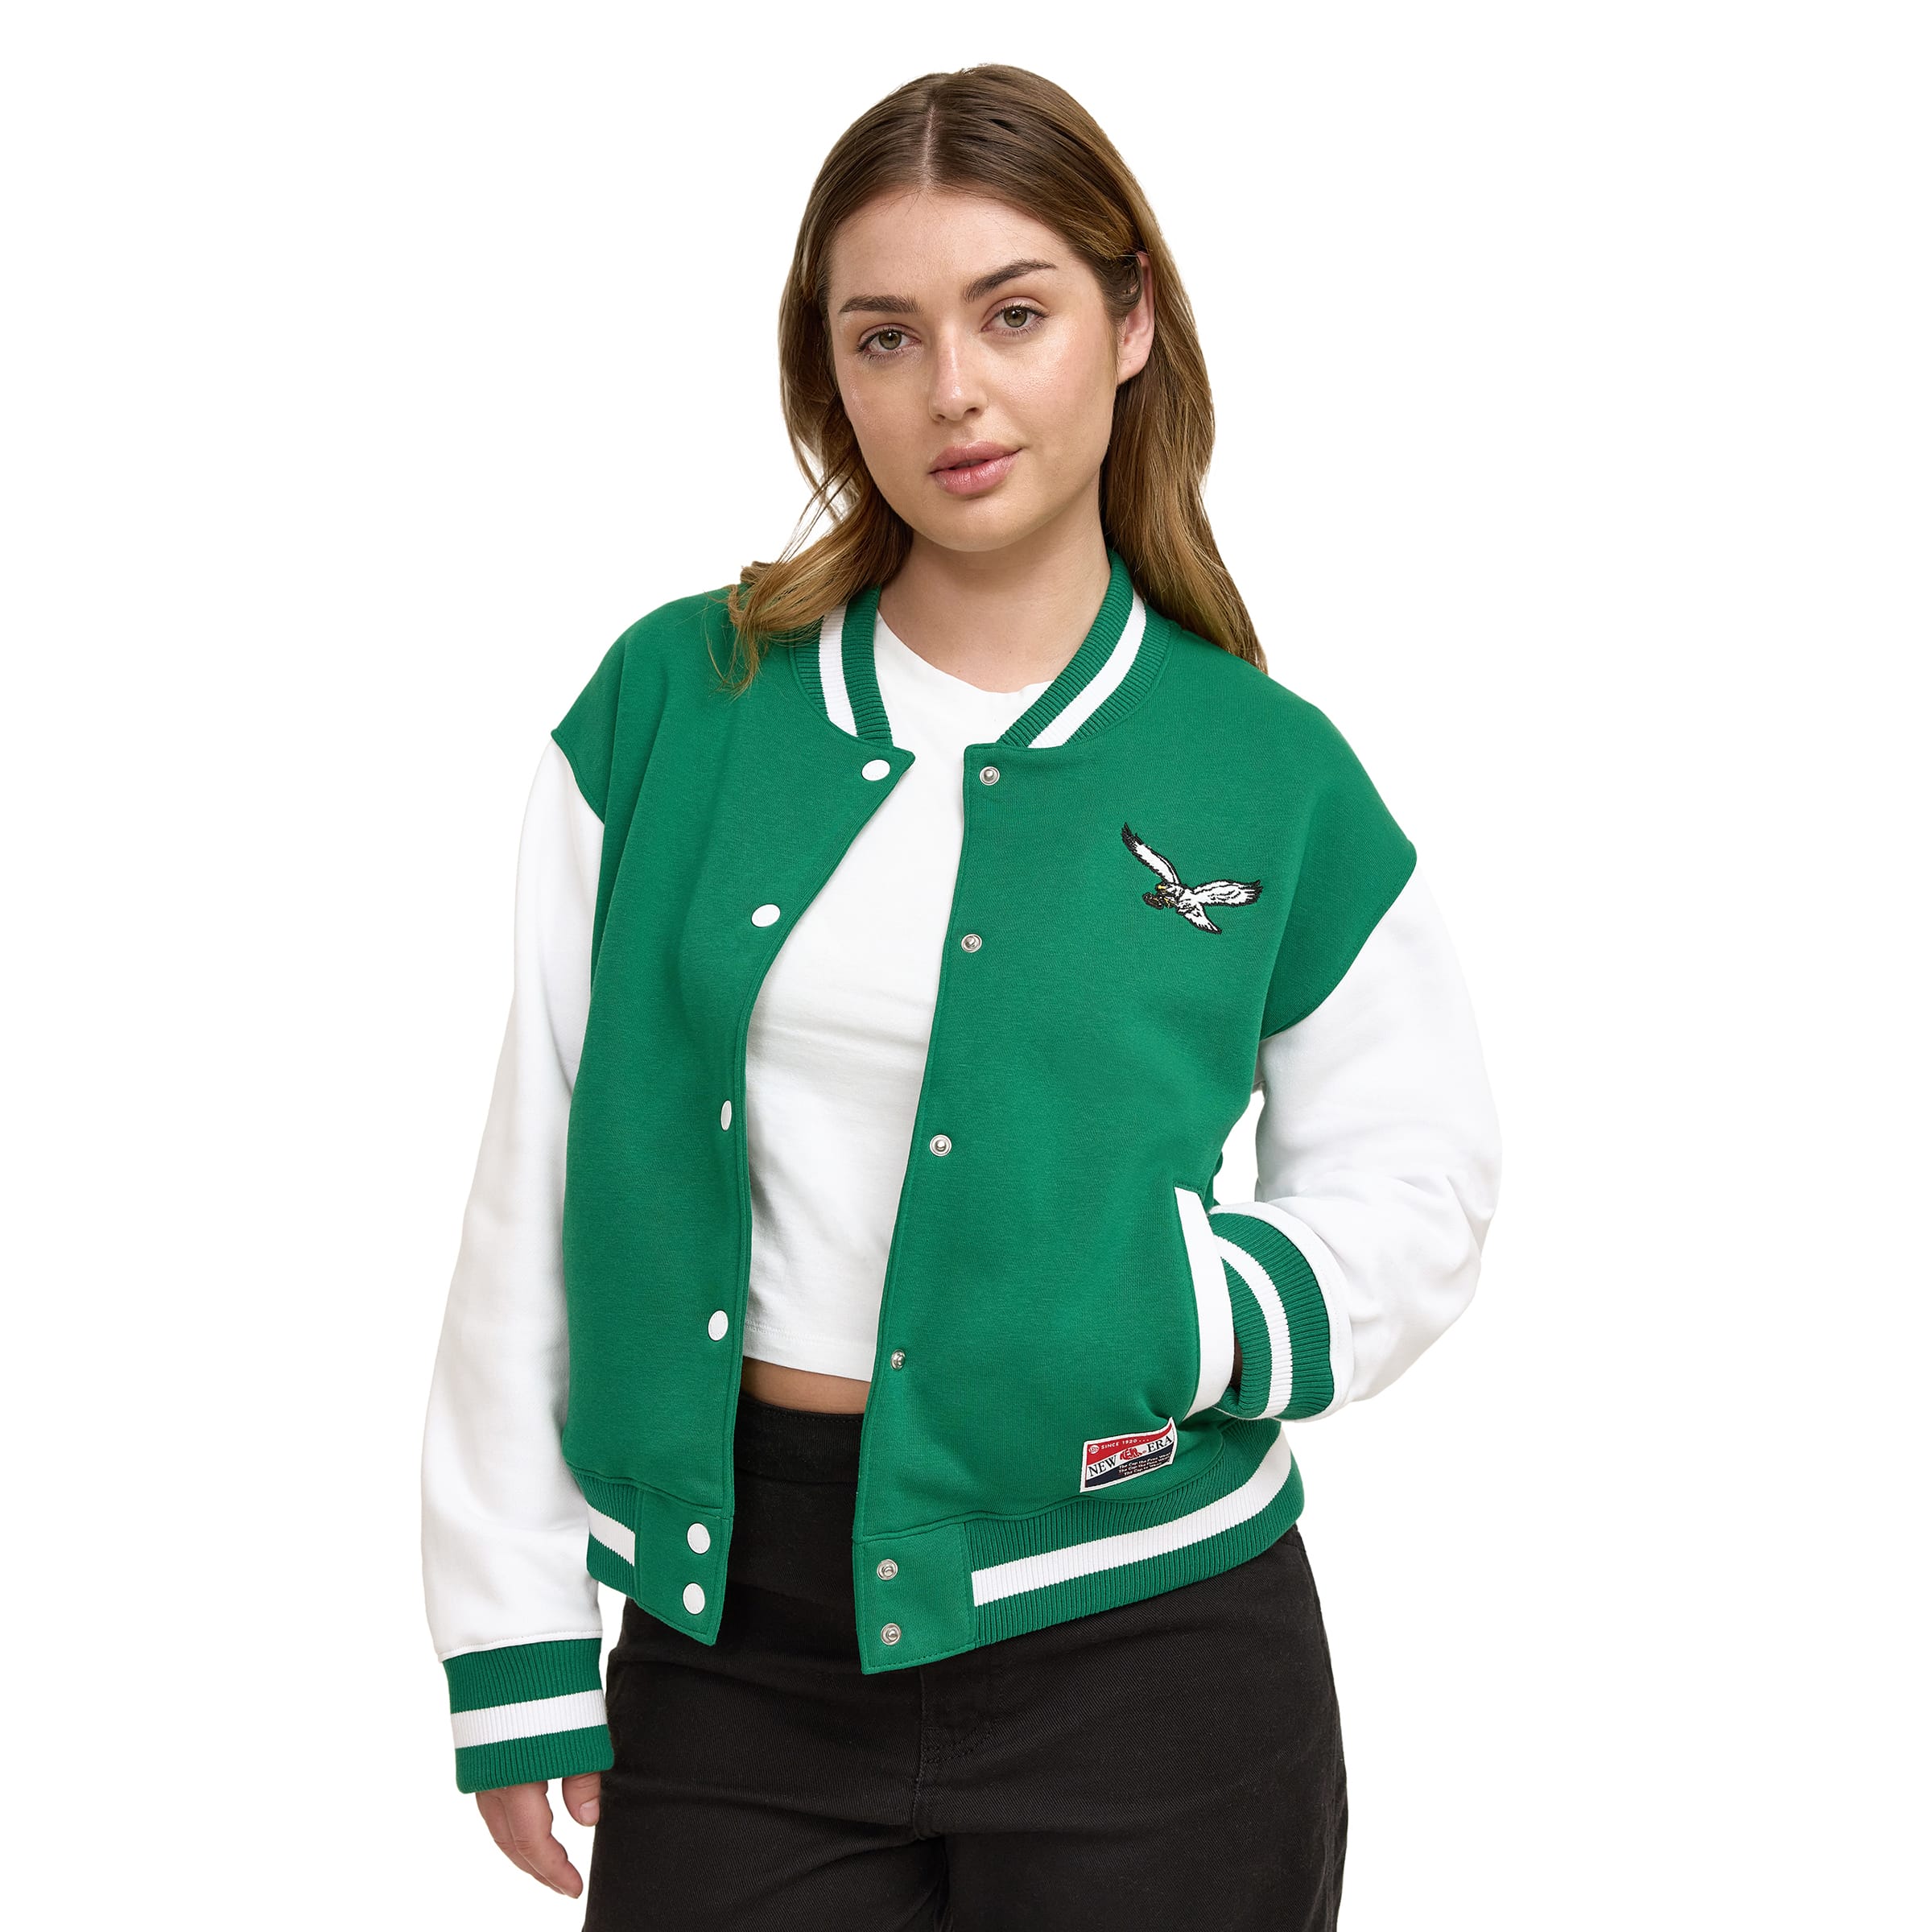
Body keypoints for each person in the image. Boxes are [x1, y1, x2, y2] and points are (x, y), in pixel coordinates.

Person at [419, 61, 1501, 1931]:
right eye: (887, 336)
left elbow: (1422, 1178)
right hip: (736, 1641)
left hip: (1157, 1653)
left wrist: (1184, 1311)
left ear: (1130, 322)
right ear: (829, 376)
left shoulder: (1266, 771)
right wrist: (509, 1634)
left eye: (1015, 314)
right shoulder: (677, 708)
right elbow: (538, 1175)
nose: (955, 392)